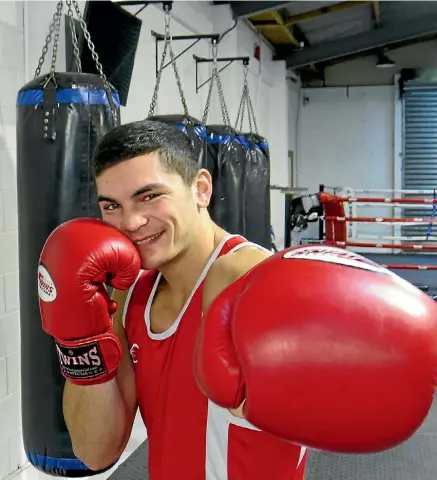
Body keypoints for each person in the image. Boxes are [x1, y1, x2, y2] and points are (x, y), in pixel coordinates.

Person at [37, 120, 437, 480]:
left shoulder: (250, 281)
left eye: (149, 197)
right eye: (112, 206)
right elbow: (94, 452)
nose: (130, 223)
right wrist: (81, 340)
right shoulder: (129, 294)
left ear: (201, 189)